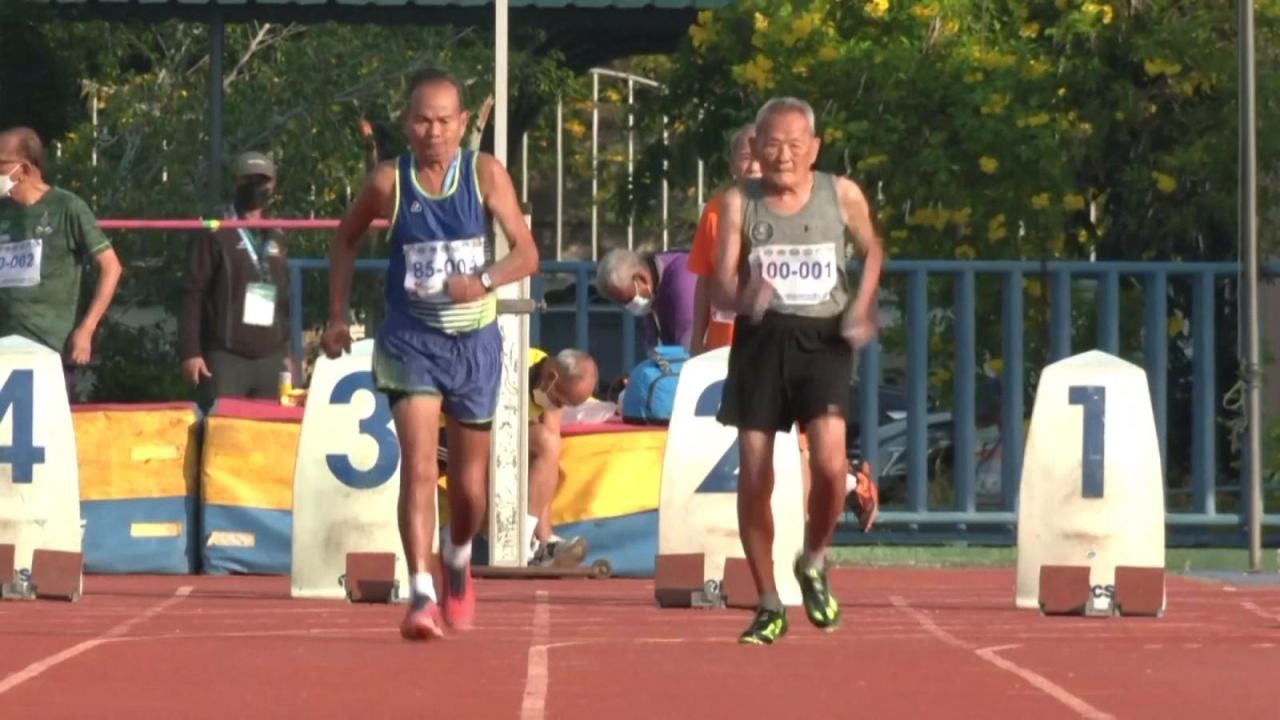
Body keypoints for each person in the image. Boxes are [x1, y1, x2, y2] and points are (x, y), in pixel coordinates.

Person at [321, 68, 539, 641]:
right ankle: (420, 592)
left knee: (469, 491)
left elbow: (527, 253)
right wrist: (338, 315)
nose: (434, 131)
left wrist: (484, 281)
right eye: (422, 119)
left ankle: (458, 554)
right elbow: (344, 239)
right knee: (419, 468)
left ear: (463, 124)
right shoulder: (389, 182)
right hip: (410, 341)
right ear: (406, 124)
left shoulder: (485, 173)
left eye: (445, 120)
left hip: (473, 345)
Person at [710, 97, 885, 645]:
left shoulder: (842, 194)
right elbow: (718, 285)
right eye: (772, 145)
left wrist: (861, 305)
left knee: (831, 467)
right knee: (755, 470)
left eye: (793, 145)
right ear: (755, 149)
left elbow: (873, 248)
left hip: (824, 338)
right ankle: (767, 602)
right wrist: (746, 297)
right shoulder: (739, 203)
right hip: (763, 340)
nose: (783, 156)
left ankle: (812, 559)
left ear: (814, 148)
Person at [437, 347, 598, 567]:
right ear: (551, 378)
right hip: (450, 432)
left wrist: (540, 529)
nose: (559, 407)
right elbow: (483, 430)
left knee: (547, 444)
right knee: (500, 460)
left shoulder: (550, 380)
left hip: (495, 433)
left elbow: (549, 449)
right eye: (560, 401)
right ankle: (480, 535)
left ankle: (538, 541)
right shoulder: (512, 366)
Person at [0, 126, 122, 393]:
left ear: (23, 169)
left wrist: (86, 330)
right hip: (3, 349)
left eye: (0, 163)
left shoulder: (68, 207)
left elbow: (110, 267)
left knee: (46, 431)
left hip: (50, 348)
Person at [179, 152, 292, 411]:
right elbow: (192, 294)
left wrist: (287, 352)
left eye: (262, 180)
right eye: (248, 179)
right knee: (220, 436)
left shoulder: (278, 233)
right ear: (235, 182)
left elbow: (285, 297)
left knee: (268, 436)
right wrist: (190, 351)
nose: (256, 186)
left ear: (273, 185)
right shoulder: (214, 231)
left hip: (270, 357)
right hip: (225, 356)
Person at [688, 123, 760, 356]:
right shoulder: (714, 211)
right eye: (747, 157)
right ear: (732, 165)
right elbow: (704, 280)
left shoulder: (791, 211)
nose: (754, 167)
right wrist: (697, 341)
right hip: (722, 347)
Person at [594, 246, 697, 354]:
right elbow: (653, 347)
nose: (629, 306)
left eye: (630, 300)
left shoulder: (683, 283)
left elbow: (687, 354)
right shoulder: (653, 288)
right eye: (622, 304)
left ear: (642, 279)